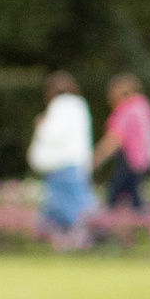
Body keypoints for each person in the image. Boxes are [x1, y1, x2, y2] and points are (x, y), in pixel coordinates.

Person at [26, 72, 95, 240]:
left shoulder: (59, 105)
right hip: (77, 162)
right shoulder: (80, 104)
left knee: (67, 206)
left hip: (61, 164)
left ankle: (81, 238)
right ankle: (71, 238)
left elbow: (52, 134)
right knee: (76, 202)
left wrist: (41, 125)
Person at [95, 72, 150, 213]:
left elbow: (113, 140)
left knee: (115, 197)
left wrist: (94, 160)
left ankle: (105, 228)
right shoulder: (143, 105)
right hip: (149, 159)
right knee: (131, 196)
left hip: (132, 161)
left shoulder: (126, 109)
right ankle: (143, 227)